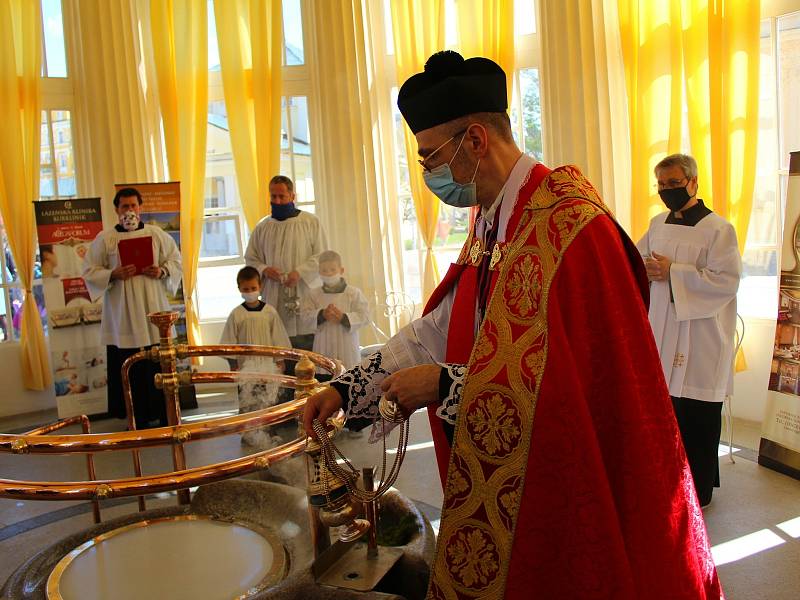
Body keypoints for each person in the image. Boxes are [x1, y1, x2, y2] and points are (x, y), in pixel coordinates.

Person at [304, 51, 721, 599]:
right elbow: (443, 325)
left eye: (431, 157)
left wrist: (444, 384)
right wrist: (350, 386)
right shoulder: (496, 214)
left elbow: (581, 390)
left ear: (475, 141)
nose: (427, 173)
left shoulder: (574, 226)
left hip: (569, 475)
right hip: (504, 466)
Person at [637, 153, 742, 507]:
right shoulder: (656, 224)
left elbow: (726, 282)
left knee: (697, 412)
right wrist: (648, 270)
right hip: (664, 330)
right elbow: (636, 262)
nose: (667, 191)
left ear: (693, 183)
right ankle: (668, 479)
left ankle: (699, 485)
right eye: (662, 185)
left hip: (702, 335)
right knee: (665, 408)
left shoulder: (719, 229)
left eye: (674, 184)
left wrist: (674, 272)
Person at [84, 187, 182, 428]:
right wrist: (113, 273)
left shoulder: (156, 234)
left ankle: (164, 413)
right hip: (123, 313)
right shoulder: (105, 239)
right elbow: (89, 271)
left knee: (156, 363)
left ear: (140, 207)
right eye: (124, 206)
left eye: (133, 206)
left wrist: (162, 270)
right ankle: (134, 417)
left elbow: (175, 259)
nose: (129, 211)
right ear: (117, 210)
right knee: (129, 364)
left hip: (152, 308)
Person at [244, 175, 328, 353]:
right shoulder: (263, 227)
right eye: (273, 196)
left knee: (308, 351)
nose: (277, 201)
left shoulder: (310, 222)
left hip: (304, 293)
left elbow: (322, 255)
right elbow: (251, 258)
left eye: (282, 196)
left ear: (292, 196)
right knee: (280, 350)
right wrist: (265, 270)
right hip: (275, 296)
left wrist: (300, 272)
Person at [220, 266, 291, 448]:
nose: (250, 292)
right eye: (246, 289)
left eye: (253, 288)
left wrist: (280, 360)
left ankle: (270, 429)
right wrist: (233, 363)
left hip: (267, 364)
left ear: (259, 286)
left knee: (269, 398)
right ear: (239, 289)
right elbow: (229, 341)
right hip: (246, 366)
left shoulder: (270, 312)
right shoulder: (237, 314)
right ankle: (248, 431)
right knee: (247, 398)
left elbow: (278, 337)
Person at [300, 250, 370, 374]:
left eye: (332, 270)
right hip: (323, 343)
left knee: (349, 376)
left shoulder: (353, 293)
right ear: (319, 272)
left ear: (341, 270)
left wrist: (344, 317)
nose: (329, 274)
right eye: (324, 271)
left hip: (347, 344)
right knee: (325, 377)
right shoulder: (313, 294)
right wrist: (321, 314)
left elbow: (365, 315)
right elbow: (305, 316)